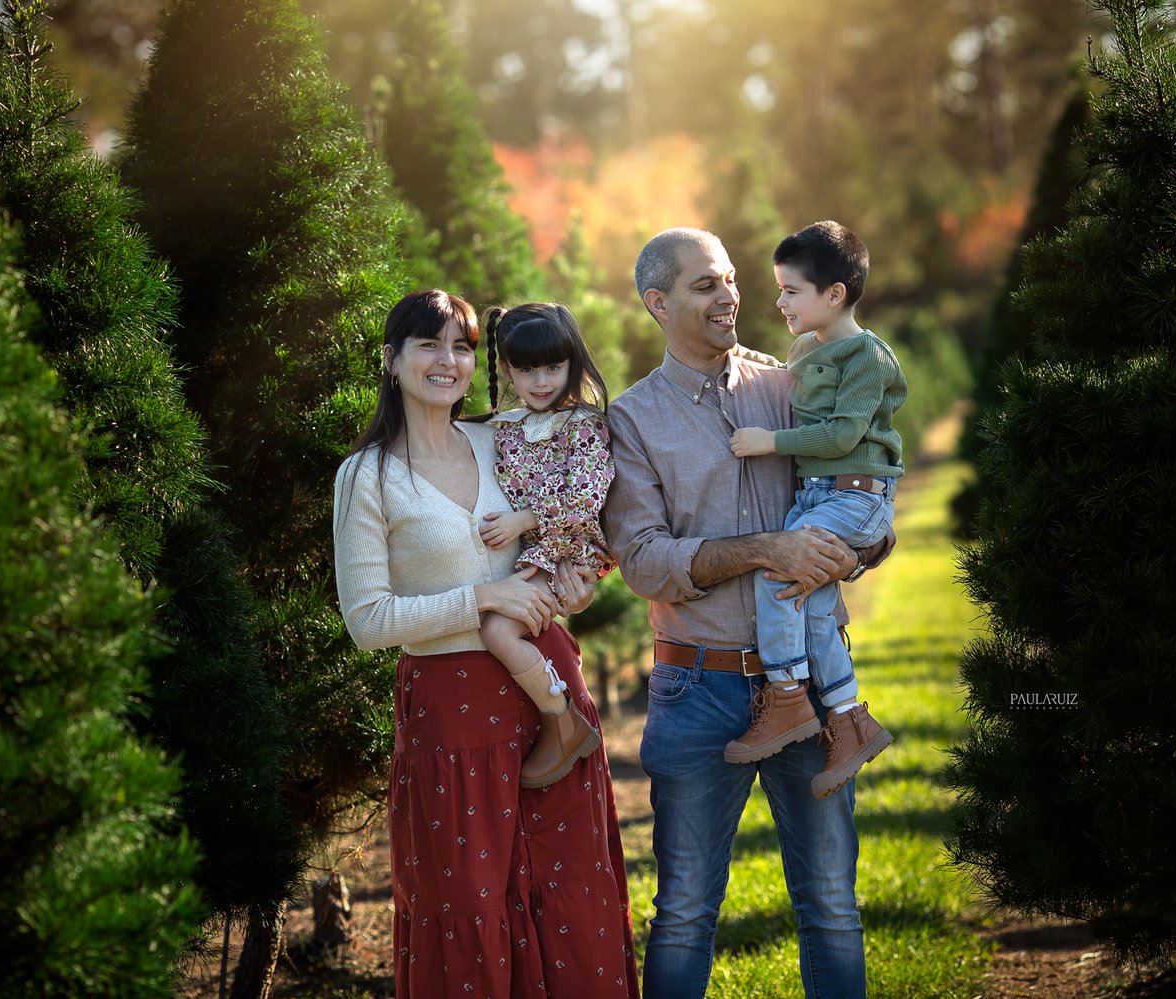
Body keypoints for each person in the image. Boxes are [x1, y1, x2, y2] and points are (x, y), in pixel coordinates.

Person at [601, 228, 891, 998]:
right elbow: (644, 561)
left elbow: (868, 493)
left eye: (730, 279)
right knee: (685, 910)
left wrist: (857, 552)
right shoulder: (631, 421)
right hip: (699, 688)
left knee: (831, 905)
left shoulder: (793, 384)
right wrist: (768, 548)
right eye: (705, 284)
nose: (729, 295)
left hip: (812, 689)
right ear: (658, 303)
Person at [333, 290, 638, 999]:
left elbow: (577, 517)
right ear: (391, 358)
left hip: (549, 695)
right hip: (453, 721)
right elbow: (368, 620)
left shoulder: (500, 437)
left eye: (463, 346)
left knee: (569, 901)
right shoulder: (367, 475)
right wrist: (483, 598)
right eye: (429, 344)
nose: (448, 361)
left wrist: (579, 585)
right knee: (469, 909)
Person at [724, 220, 906, 797]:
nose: (779, 302)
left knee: (781, 570)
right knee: (815, 603)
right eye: (778, 289)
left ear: (835, 294)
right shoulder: (806, 346)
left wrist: (767, 442)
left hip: (856, 494)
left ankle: (786, 698)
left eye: (791, 291)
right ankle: (851, 720)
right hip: (819, 496)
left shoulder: (867, 357)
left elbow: (841, 435)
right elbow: (782, 375)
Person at [477, 302, 619, 789]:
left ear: (572, 364)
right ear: (506, 370)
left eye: (553, 367)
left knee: (497, 631)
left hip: (565, 550)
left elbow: (585, 498)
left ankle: (562, 721)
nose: (541, 381)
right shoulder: (506, 427)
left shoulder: (584, 425)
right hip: (536, 549)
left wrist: (524, 519)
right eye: (527, 369)